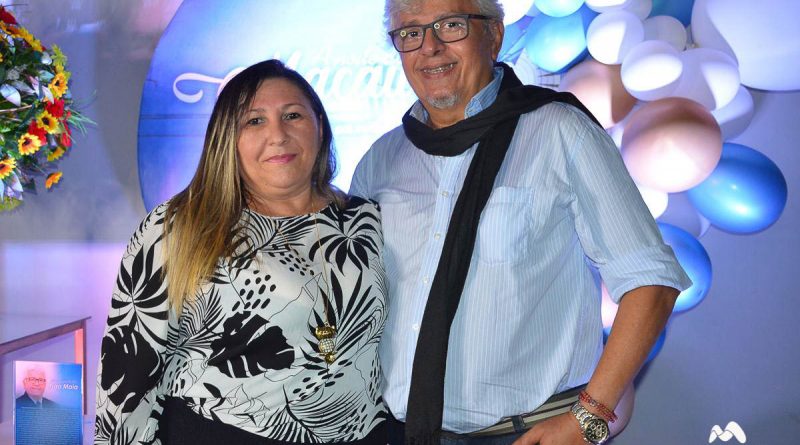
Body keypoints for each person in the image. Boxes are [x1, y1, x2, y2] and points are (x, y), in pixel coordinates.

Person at [350, 1, 692, 444]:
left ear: (494, 35)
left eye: (450, 25)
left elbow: (651, 281)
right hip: (403, 431)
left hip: (530, 433)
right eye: (410, 33)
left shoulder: (559, 130)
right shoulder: (381, 160)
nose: (429, 47)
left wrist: (588, 420)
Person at [95, 60, 387, 445]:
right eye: (254, 121)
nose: (277, 135)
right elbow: (127, 380)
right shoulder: (180, 226)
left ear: (319, 124)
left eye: (293, 115)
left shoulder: (366, 220)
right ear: (227, 138)